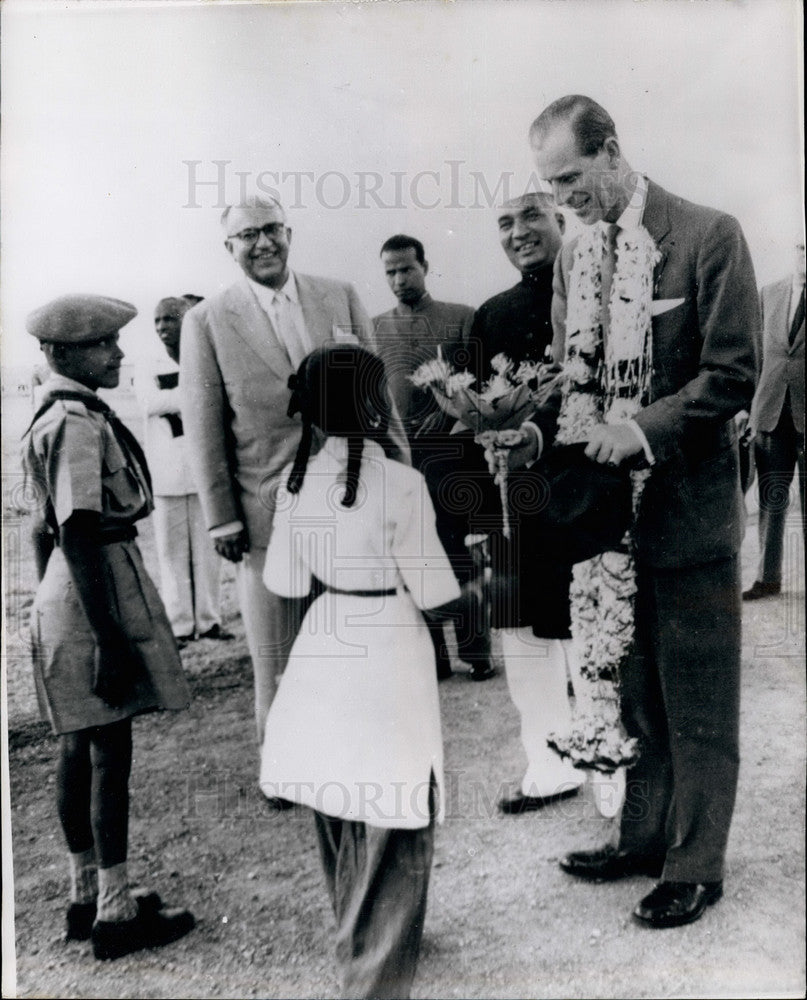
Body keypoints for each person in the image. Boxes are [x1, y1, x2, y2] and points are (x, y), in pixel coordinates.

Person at [513, 95, 759, 928]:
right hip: (605, 529)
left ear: (612, 151)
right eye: (548, 187)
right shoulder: (571, 259)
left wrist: (641, 429)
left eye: (571, 179)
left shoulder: (708, 234)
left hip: (687, 515)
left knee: (695, 698)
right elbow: (566, 384)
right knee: (631, 693)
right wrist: (526, 434)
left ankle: (696, 862)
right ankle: (641, 838)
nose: (561, 201)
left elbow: (731, 373)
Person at [259, 344, 464, 999]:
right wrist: (479, 574)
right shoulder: (400, 481)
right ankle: (374, 975)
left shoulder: (292, 484)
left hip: (324, 642)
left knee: (337, 798)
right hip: (386, 643)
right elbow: (434, 591)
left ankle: (359, 932)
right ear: (376, 406)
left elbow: (284, 580)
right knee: (397, 806)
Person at [180, 195, 409, 751]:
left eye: (272, 230)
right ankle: (286, 761)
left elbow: (375, 396)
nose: (263, 243)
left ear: (289, 232)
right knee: (278, 652)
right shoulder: (206, 321)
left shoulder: (339, 295)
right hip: (267, 516)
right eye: (248, 235)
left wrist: (401, 478)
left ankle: (353, 752)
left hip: (349, 503)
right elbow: (204, 427)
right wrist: (221, 521)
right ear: (229, 247)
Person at [22, 294, 195, 961]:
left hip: (65, 590)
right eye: (104, 345)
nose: (118, 354)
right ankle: (116, 912)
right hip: (92, 593)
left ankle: (84, 893)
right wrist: (111, 639)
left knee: (77, 745)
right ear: (64, 354)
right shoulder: (73, 421)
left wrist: (51, 604)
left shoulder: (55, 411)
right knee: (107, 752)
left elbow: (44, 530)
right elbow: (78, 530)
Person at [471, 193, 585, 813]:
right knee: (523, 633)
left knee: (593, 628)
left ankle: (609, 759)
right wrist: (479, 515)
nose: (519, 233)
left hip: (591, 492)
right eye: (506, 224)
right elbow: (472, 420)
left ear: (560, 221)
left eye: (532, 217)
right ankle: (548, 763)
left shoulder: (599, 292)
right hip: (519, 503)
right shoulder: (492, 315)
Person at [373, 234, 495, 681]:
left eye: (407, 268)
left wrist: (449, 421)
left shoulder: (461, 318)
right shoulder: (376, 327)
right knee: (414, 557)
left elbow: (478, 389)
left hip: (454, 457)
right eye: (390, 271)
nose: (399, 279)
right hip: (402, 463)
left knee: (460, 556)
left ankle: (477, 653)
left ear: (425, 266)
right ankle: (434, 657)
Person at [136, 296, 231, 645]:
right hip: (166, 473)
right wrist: (194, 394)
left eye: (170, 320)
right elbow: (149, 403)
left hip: (204, 470)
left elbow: (218, 401)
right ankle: (178, 625)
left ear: (187, 319)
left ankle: (209, 621)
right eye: (158, 320)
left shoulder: (204, 355)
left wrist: (192, 396)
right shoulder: (148, 363)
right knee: (170, 554)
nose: (162, 327)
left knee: (208, 554)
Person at [744, 241, 805, 600]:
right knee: (771, 499)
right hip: (771, 415)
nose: (803, 255)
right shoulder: (769, 293)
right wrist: (748, 410)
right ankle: (768, 578)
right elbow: (754, 356)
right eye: (799, 248)